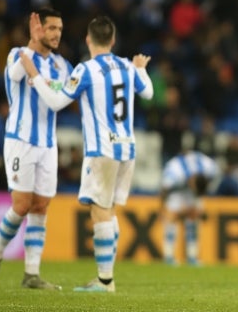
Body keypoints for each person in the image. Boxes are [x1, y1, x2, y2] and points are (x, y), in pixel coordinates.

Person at [19, 15, 153, 292]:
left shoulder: (86, 70)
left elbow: (56, 102)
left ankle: (105, 281)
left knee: (100, 211)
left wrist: (35, 76)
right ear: (113, 40)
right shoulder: (127, 66)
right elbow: (149, 93)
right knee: (109, 210)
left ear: (88, 40)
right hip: (127, 147)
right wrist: (141, 69)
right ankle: (107, 277)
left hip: (102, 149)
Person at [0, 8, 72, 291]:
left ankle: (31, 274)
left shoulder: (62, 65)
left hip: (48, 144)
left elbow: (59, 98)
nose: (57, 34)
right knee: (20, 206)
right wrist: (32, 47)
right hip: (20, 140)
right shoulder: (18, 54)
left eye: (60, 28)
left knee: (41, 206)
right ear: (38, 29)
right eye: (52, 28)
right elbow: (15, 74)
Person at [160, 149, 220, 266]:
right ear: (191, 181)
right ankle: (168, 256)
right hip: (177, 192)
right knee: (172, 219)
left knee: (193, 219)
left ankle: (192, 257)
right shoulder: (175, 171)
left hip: (193, 189)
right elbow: (164, 189)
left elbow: (210, 182)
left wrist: (199, 202)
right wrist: (162, 209)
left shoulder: (209, 168)